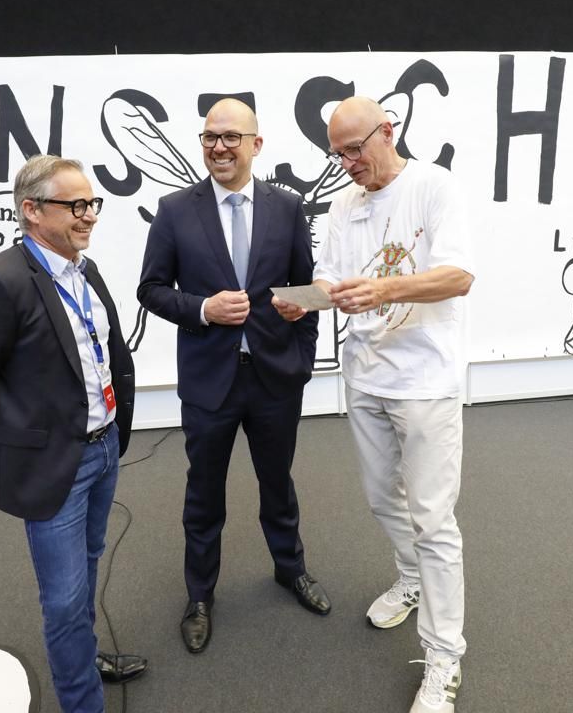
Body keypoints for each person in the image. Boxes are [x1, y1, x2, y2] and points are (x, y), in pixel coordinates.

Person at [273, 97, 475, 713]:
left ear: (389, 132)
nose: (347, 163)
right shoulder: (344, 204)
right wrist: (307, 300)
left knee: (433, 520)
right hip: (364, 376)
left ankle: (444, 656)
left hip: (426, 380)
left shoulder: (434, 187)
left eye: (355, 149)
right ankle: (411, 580)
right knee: (383, 499)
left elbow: (458, 276)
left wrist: (384, 287)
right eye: (337, 154)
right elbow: (332, 277)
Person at [0, 155, 148, 713]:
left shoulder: (85, 270)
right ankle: (83, 703)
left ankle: (83, 659)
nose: (90, 215)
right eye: (75, 205)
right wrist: (12, 436)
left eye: (92, 203)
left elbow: (106, 354)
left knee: (88, 566)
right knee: (63, 600)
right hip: (54, 463)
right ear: (31, 210)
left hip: (105, 448)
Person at [137, 97, 330, 654]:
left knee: (278, 483)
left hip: (275, 379)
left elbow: (309, 292)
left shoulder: (287, 208)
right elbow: (151, 289)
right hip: (209, 383)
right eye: (209, 137)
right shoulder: (175, 210)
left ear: (256, 144)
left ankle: (290, 569)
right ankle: (199, 595)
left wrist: (302, 360)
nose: (218, 147)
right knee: (203, 493)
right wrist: (203, 308)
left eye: (230, 137)